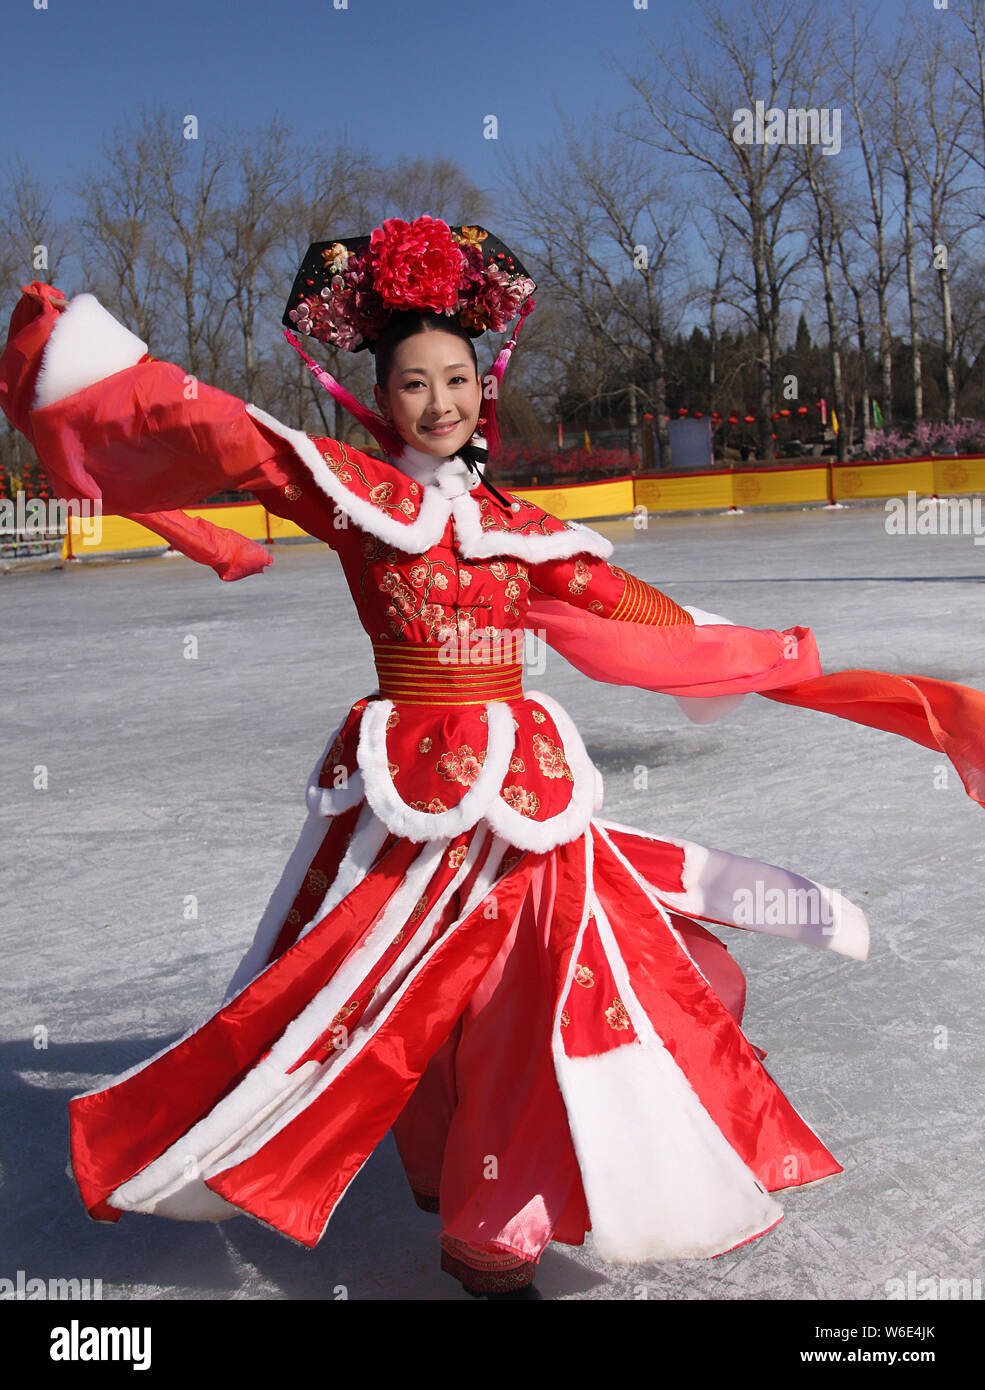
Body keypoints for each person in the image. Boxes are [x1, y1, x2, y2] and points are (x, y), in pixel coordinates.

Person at [2, 217, 984, 1301]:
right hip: (411, 803)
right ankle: (451, 1178)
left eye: (456, 378)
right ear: (383, 396)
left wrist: (785, 667)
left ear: (485, 383)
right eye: (415, 383)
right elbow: (230, 433)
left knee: (553, 990)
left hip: (529, 806)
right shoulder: (355, 496)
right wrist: (91, 368)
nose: (440, 402)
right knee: (401, 993)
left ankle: (497, 1216)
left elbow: (636, 611)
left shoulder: (525, 528)